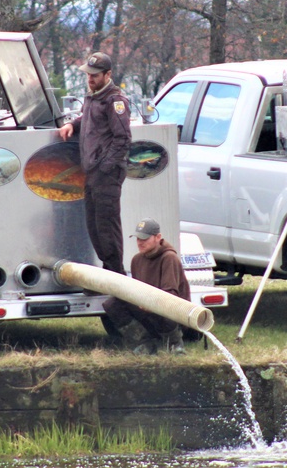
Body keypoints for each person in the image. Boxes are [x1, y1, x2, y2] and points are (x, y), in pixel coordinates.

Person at [58, 52, 131, 275]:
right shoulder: (94, 96)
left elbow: (123, 139)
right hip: (92, 171)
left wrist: (105, 167)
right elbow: (90, 120)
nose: (90, 79)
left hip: (105, 174)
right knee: (94, 227)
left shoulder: (115, 100)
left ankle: (115, 277)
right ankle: (108, 274)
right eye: (88, 75)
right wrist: (73, 124)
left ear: (108, 75)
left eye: (95, 75)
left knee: (107, 228)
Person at [103, 218, 190, 355]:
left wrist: (151, 303)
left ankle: (174, 344)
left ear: (158, 237)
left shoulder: (169, 258)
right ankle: (143, 344)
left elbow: (171, 295)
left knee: (168, 305)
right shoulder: (136, 260)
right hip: (146, 309)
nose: (140, 242)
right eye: (137, 239)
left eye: (144, 239)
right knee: (112, 303)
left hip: (170, 312)